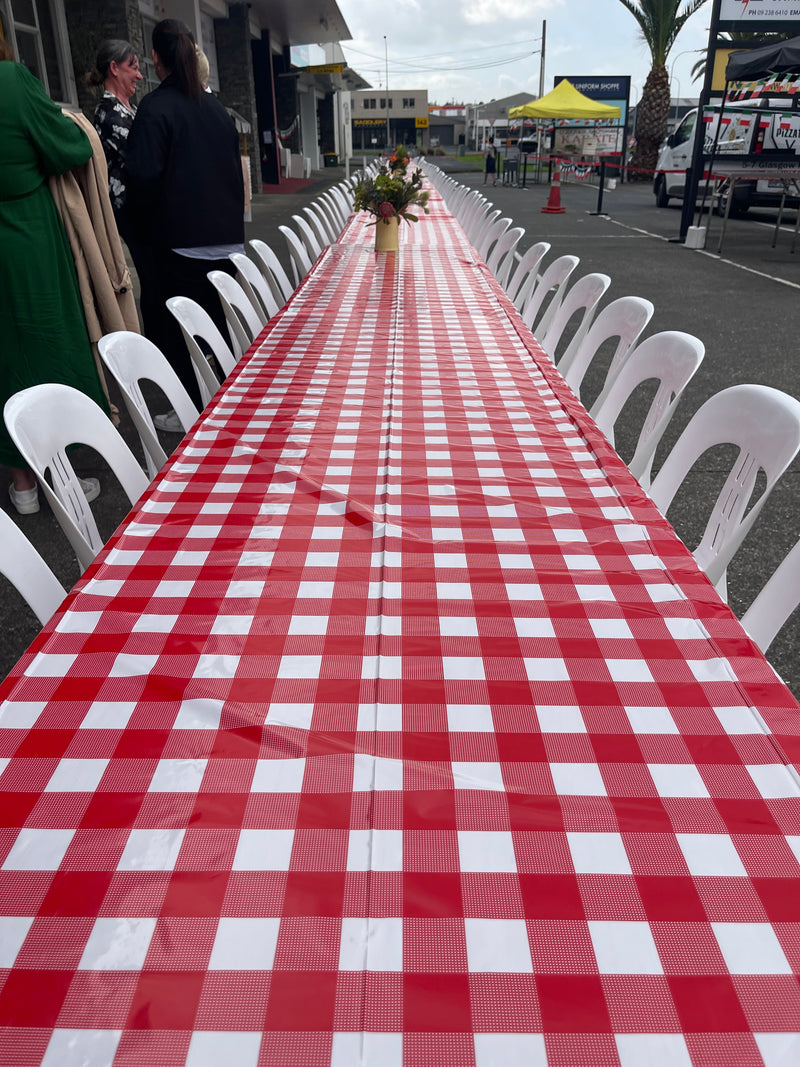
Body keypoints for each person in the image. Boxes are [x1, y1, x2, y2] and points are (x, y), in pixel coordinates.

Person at [0, 38, 108, 514]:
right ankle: (61, 476)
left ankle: (22, 484)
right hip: (27, 236)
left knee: (4, 355)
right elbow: (67, 147)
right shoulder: (13, 82)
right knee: (47, 344)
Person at [126, 19, 244, 428]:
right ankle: (229, 405)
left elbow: (141, 179)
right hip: (228, 243)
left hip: (179, 246)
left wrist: (138, 227)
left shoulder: (155, 108)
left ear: (155, 58)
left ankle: (192, 410)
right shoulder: (217, 110)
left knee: (179, 333)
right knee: (219, 330)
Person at [88, 39, 142, 237]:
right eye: (133, 68)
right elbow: (141, 153)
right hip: (131, 211)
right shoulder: (108, 114)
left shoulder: (131, 109)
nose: (139, 76)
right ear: (114, 68)